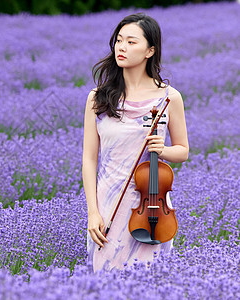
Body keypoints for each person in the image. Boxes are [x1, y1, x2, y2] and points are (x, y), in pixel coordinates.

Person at [82, 12, 189, 272]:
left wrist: (163, 150)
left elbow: (183, 151)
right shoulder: (97, 98)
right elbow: (89, 158)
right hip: (108, 205)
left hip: (152, 211)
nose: (122, 47)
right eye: (119, 40)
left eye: (132, 42)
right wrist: (93, 212)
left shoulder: (169, 98)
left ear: (150, 51)